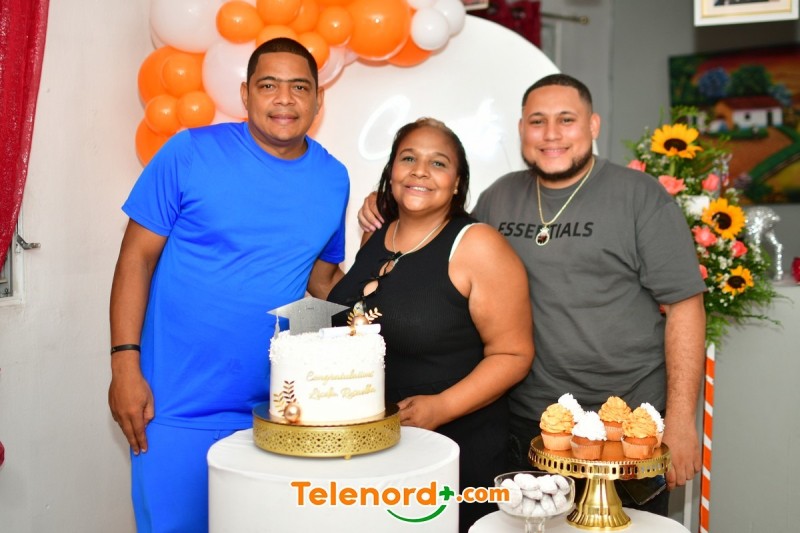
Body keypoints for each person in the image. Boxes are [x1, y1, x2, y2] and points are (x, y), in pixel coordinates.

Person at [357, 74, 706, 514]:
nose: (551, 134)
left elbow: (686, 307)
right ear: (522, 129)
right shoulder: (499, 198)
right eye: (538, 121)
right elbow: (437, 248)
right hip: (526, 425)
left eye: (566, 120)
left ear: (593, 125)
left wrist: (680, 422)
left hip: (625, 429)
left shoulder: (640, 197)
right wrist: (386, 204)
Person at [108, 38, 348, 533]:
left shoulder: (333, 179)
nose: (285, 99)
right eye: (269, 85)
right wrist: (124, 365)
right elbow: (135, 258)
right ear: (245, 94)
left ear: (318, 99)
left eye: (300, 87)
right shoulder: (189, 152)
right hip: (172, 406)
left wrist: (394, 275)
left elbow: (323, 280)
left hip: (277, 411)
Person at [328, 118, 534, 532]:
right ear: (392, 171)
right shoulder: (378, 236)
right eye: (408, 158)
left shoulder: (478, 245)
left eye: (438, 163)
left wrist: (442, 407)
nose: (420, 171)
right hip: (376, 452)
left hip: (457, 454)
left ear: (457, 183)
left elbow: (513, 354)